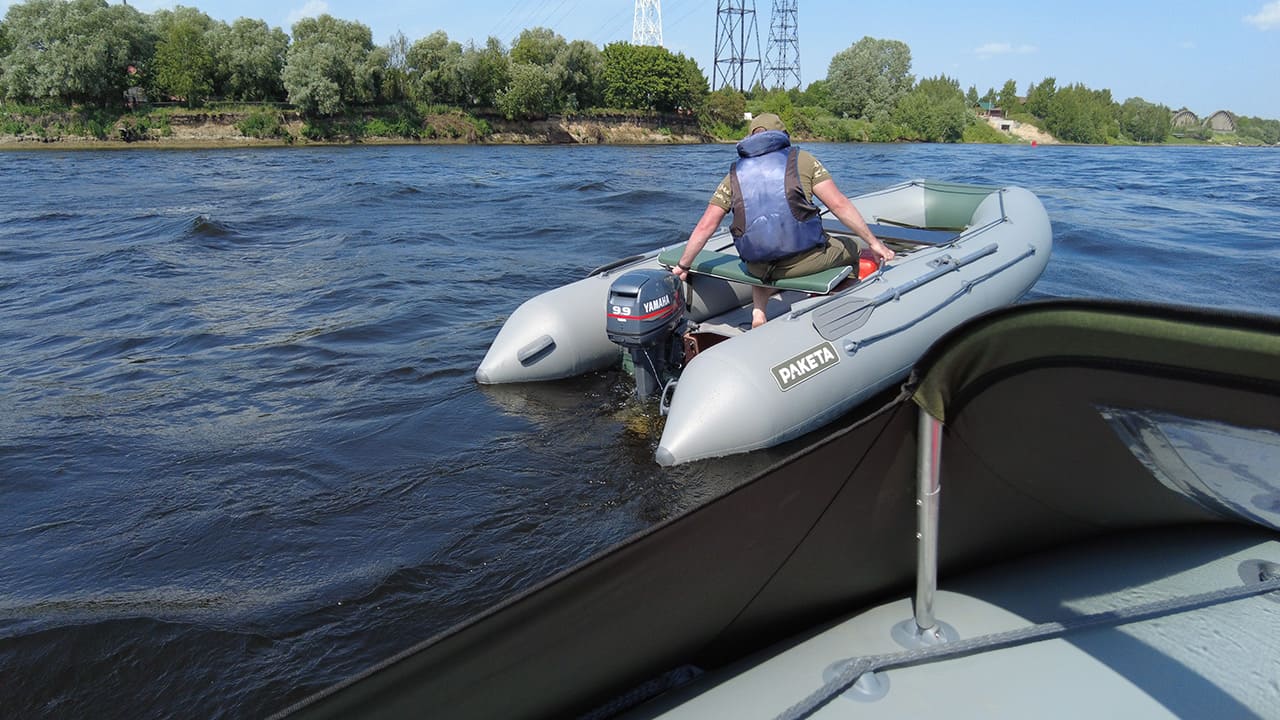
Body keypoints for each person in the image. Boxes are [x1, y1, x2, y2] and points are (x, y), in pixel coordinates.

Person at [669, 113, 895, 328]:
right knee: (851, 247)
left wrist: (683, 265)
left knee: (762, 247)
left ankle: (759, 312)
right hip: (804, 261)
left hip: (757, 269)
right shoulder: (802, 160)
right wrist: (874, 243)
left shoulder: (734, 174)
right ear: (783, 134)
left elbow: (706, 225)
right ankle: (838, 309)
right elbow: (839, 204)